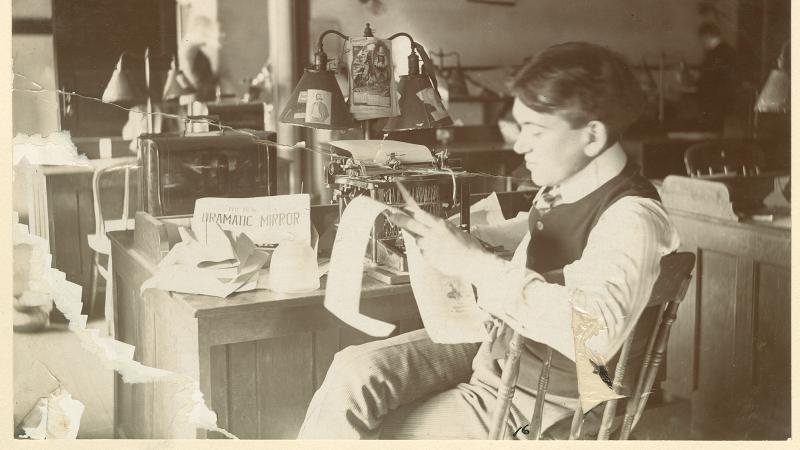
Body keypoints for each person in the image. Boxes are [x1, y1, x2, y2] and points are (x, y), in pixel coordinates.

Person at [298, 42, 680, 440]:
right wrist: (467, 237)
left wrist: (473, 263)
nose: (519, 145)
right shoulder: (570, 183)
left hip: (546, 404)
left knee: (366, 430)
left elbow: (596, 332)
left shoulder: (632, 218)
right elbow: (539, 231)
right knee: (353, 372)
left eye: (535, 131)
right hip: (505, 351)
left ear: (592, 136)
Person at [695, 21, 739, 131]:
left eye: (702, 39)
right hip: (725, 105)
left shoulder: (715, 54)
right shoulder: (729, 51)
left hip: (714, 106)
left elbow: (709, 80)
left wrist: (696, 82)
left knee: (712, 137)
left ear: (706, 36)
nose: (702, 43)